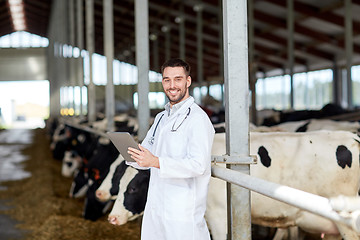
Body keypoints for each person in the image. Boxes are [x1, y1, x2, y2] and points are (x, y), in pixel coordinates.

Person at [127, 58, 215, 240]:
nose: (172, 85)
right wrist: (133, 155)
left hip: (182, 214)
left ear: (188, 81)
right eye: (167, 80)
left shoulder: (198, 119)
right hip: (157, 207)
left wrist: (156, 162)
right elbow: (147, 153)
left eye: (178, 79)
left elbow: (199, 165)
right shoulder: (160, 117)